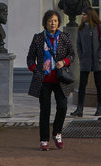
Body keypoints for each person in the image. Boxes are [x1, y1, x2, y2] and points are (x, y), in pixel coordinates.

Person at [26, 9, 74, 151]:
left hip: (60, 79)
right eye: (50, 21)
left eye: (55, 21)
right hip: (44, 80)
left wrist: (64, 62)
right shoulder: (38, 38)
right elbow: (30, 59)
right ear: (45, 23)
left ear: (58, 22)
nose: (52, 23)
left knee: (63, 106)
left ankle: (57, 133)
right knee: (45, 110)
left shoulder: (64, 37)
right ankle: (44, 140)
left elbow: (72, 54)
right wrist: (36, 69)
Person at [72, 6, 101, 116]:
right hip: (85, 60)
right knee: (82, 84)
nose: (83, 17)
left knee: (98, 84)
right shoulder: (81, 28)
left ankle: (99, 107)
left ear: (90, 15)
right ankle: (80, 108)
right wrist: (81, 57)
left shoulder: (99, 27)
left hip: (97, 60)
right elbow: (78, 44)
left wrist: (100, 56)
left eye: (84, 14)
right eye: (82, 14)